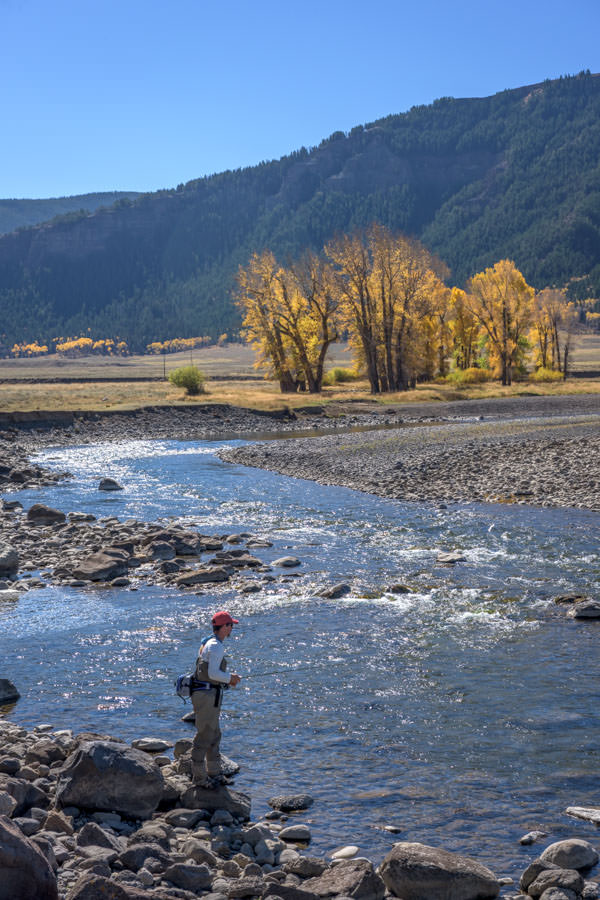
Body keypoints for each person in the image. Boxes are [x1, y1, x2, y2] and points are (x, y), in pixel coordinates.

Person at [191, 610, 241, 788]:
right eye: (230, 625)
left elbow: (210, 673)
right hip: (206, 696)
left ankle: (214, 774)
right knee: (205, 736)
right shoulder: (216, 646)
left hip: (206, 694)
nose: (232, 628)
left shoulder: (208, 642)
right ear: (224, 627)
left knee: (214, 734)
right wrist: (230, 678)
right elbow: (213, 673)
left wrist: (227, 679)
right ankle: (199, 779)